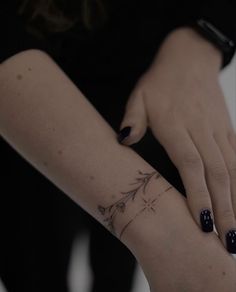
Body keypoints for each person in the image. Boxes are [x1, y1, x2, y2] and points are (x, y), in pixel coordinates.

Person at [0, 1, 236, 292]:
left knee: (116, 271)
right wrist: (159, 227)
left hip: (148, 105)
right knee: (35, 266)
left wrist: (202, 38)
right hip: (22, 118)